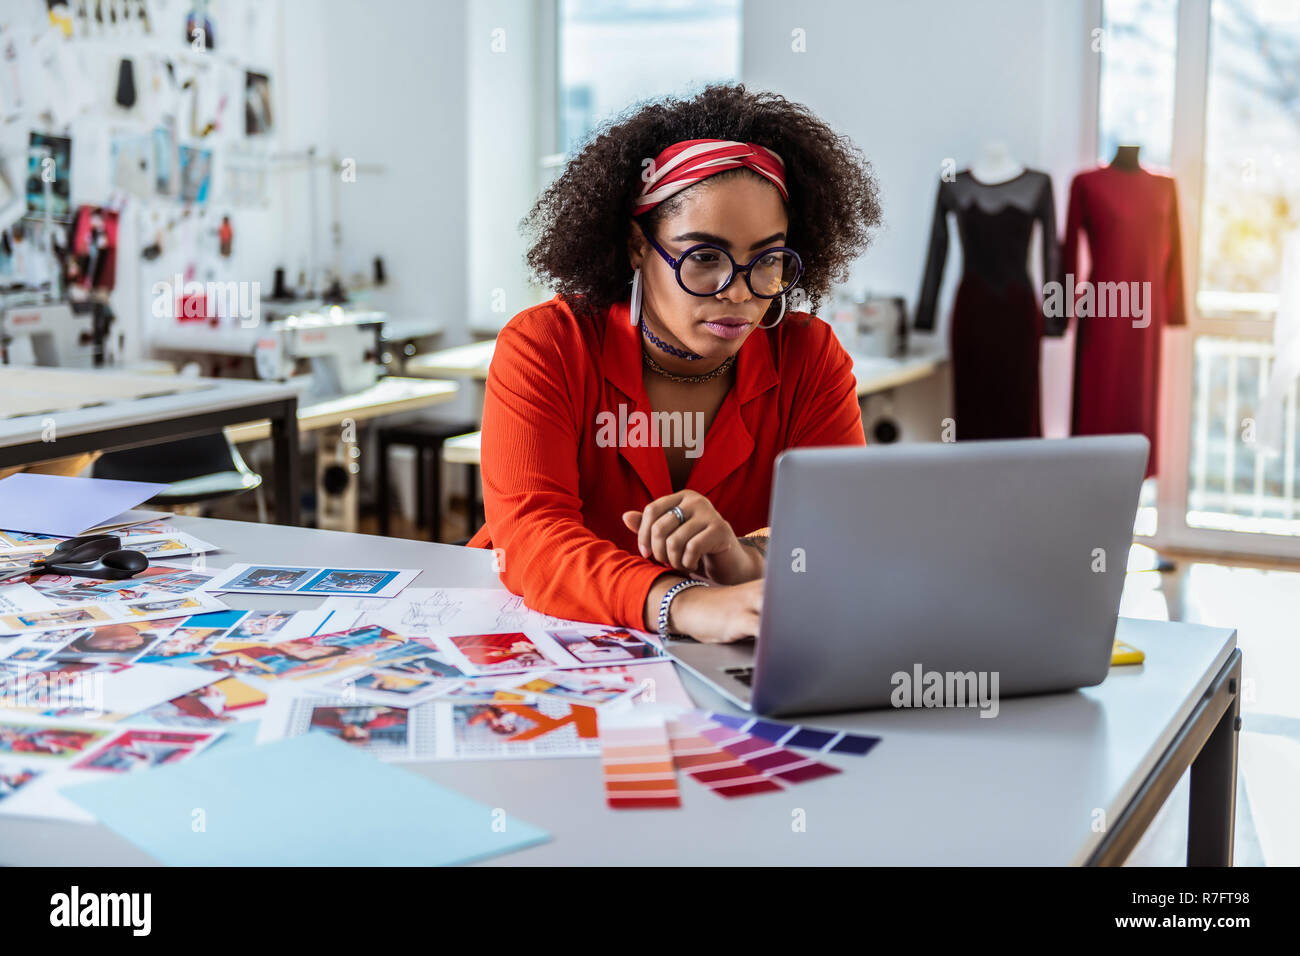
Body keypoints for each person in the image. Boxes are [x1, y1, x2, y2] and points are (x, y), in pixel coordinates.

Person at [469, 84, 882, 644]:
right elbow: (535, 539)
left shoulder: (809, 357)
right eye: (705, 257)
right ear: (638, 246)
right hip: (543, 638)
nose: (738, 292)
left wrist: (741, 560)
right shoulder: (547, 345)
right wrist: (683, 603)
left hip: (711, 657)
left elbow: (838, 532)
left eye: (768, 260)